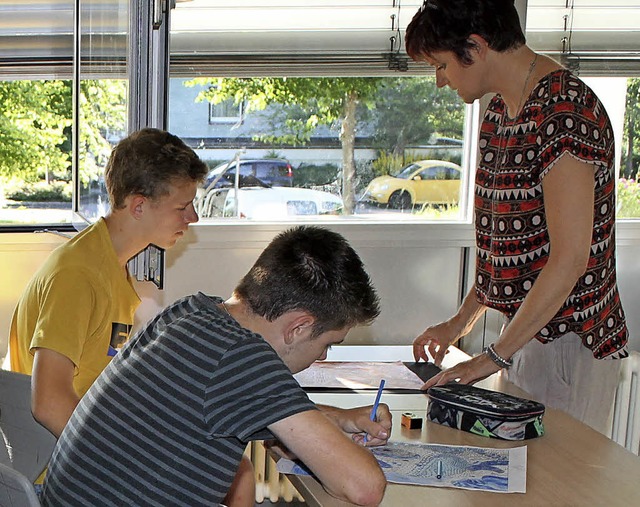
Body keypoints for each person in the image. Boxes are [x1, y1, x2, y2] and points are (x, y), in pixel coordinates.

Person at [40, 226, 390, 507]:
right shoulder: (244, 358)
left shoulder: (192, 312)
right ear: (298, 327)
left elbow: (267, 417)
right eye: (328, 343)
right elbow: (364, 488)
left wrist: (341, 418)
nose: (324, 356)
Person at [4, 128, 260, 507]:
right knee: (229, 474)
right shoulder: (78, 275)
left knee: (236, 470)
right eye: (182, 206)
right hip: (59, 473)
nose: (193, 217)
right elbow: (49, 402)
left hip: (80, 449)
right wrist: (128, 462)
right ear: (138, 206)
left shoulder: (110, 267)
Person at [405, 0, 628, 434]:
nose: (439, 81)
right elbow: (503, 251)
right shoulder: (499, 112)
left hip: (570, 344)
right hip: (524, 337)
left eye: (441, 65)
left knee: (559, 493)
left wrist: (492, 357)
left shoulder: (565, 111)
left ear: (475, 47)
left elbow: (569, 259)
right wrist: (459, 322)